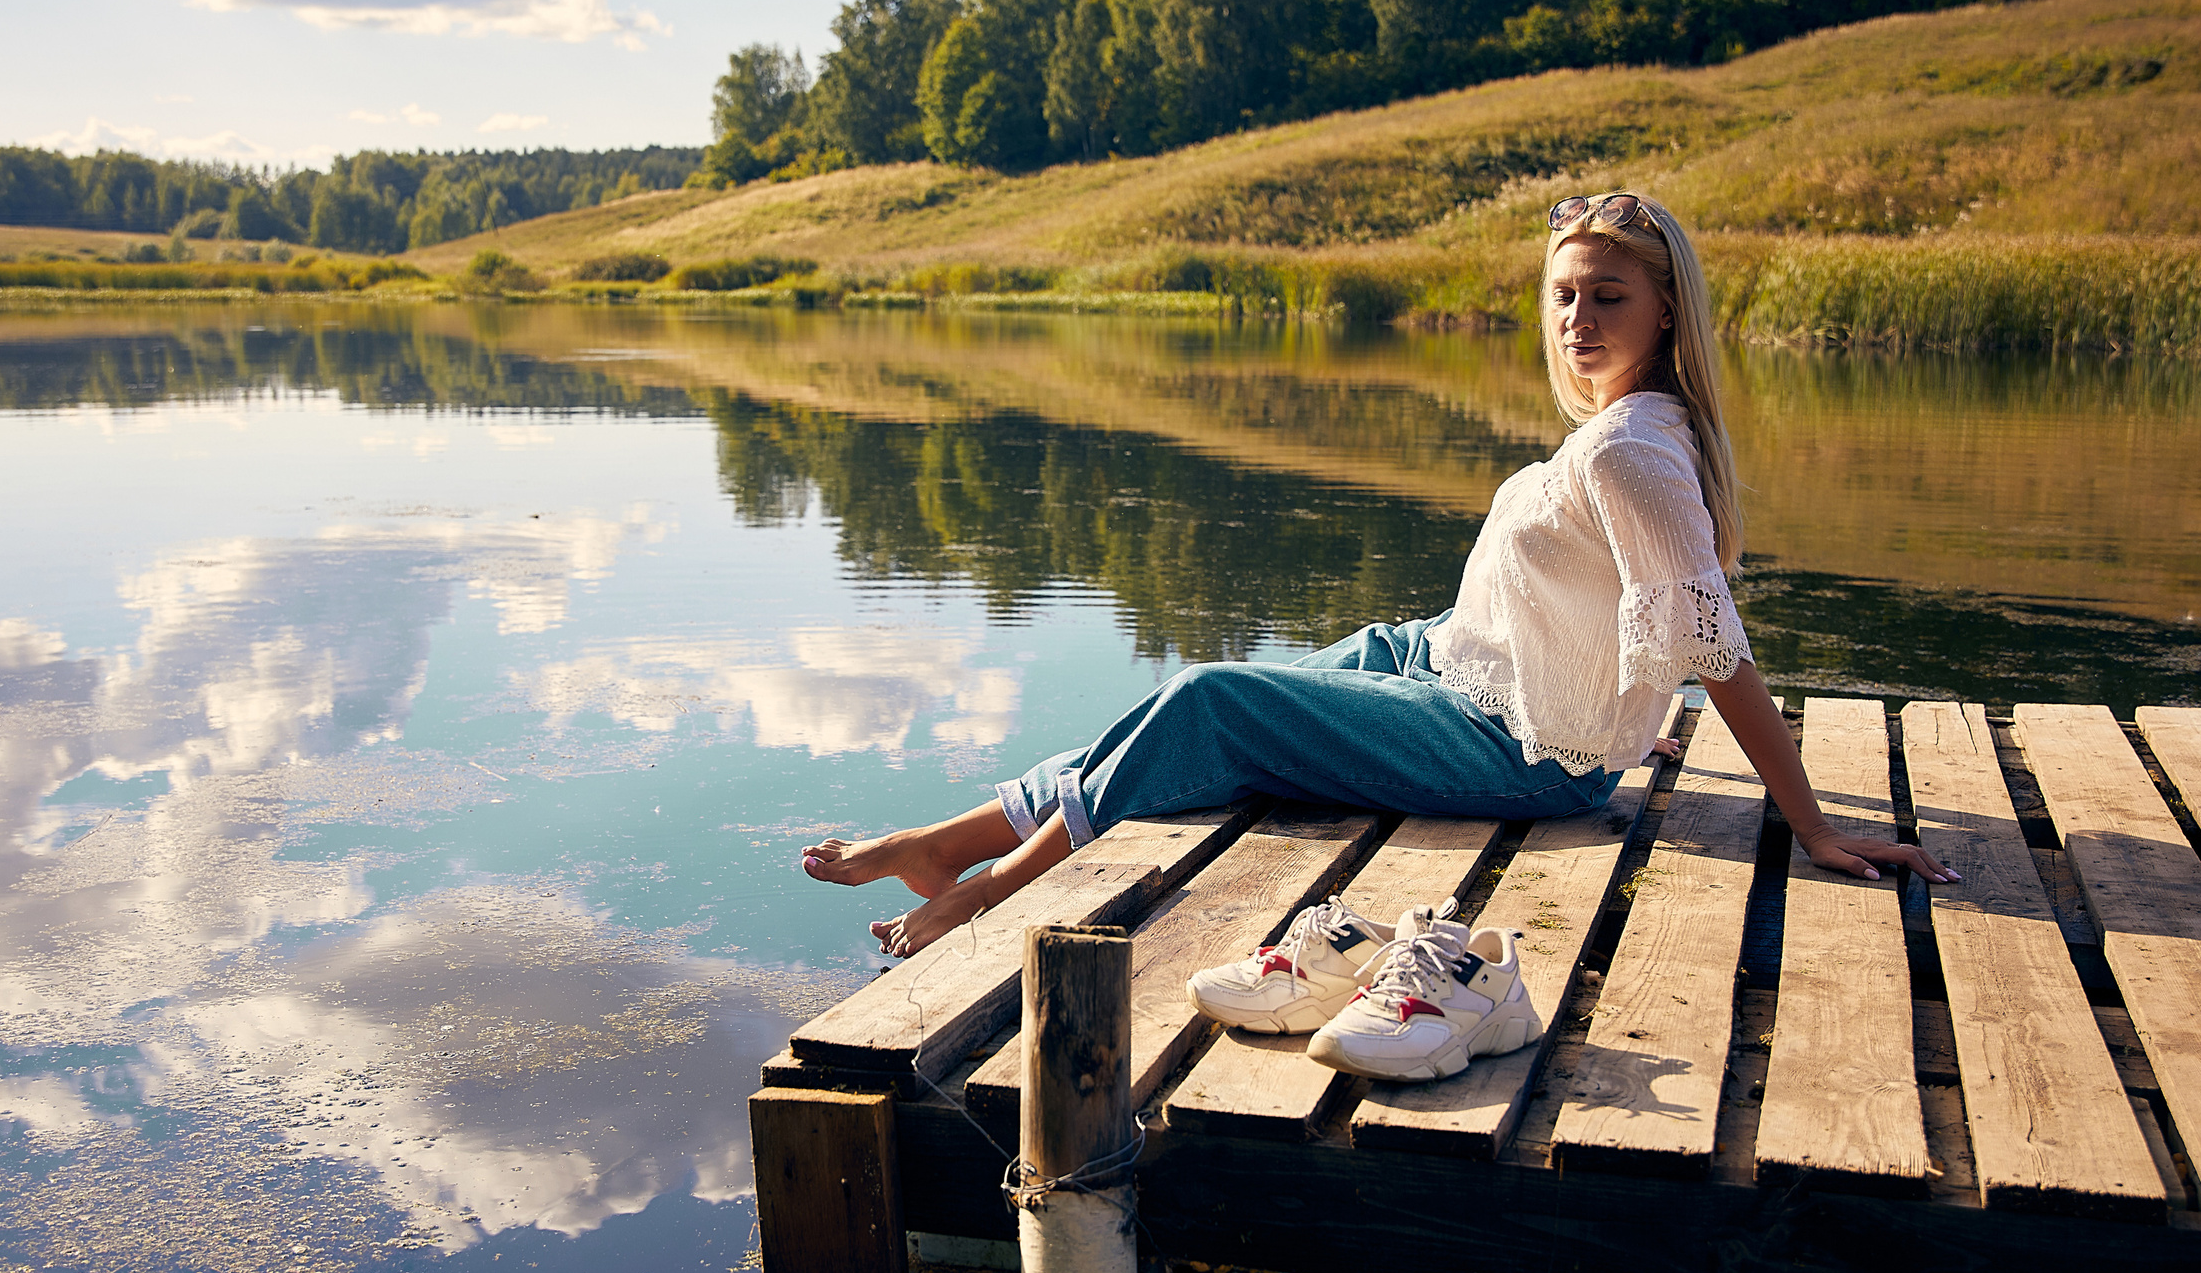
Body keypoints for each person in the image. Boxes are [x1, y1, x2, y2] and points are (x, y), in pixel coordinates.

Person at [800, 191, 1959, 997]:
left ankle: (986, 887)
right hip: (1455, 661)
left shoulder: (1627, 452)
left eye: (1606, 297)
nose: (1576, 321)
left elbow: (1710, 647)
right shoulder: (1631, 430)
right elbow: (1636, 617)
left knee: (1210, 700)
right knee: (1247, 687)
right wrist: (1629, 711)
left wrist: (1802, 819)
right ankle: (943, 842)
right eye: (1562, 298)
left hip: (1518, 751)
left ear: (1663, 311)